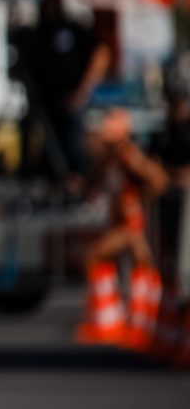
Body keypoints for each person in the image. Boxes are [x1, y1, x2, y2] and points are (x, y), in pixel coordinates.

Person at [75, 108, 170, 348]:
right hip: (116, 222)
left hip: (130, 224)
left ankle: (131, 319)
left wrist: (138, 198)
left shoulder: (129, 156)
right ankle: (129, 318)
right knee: (136, 268)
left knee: (97, 256)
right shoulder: (106, 161)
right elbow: (92, 185)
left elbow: (159, 180)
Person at [11, 0, 111, 182]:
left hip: (72, 100)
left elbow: (101, 53)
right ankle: (58, 183)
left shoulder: (73, 29)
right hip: (46, 104)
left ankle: (79, 183)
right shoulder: (38, 33)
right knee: (49, 149)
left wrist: (83, 89)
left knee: (72, 146)